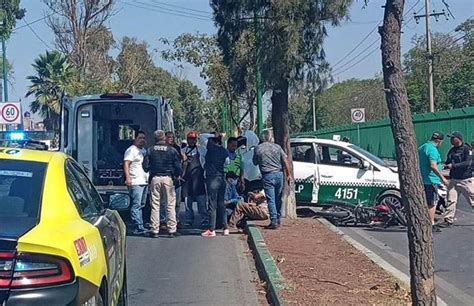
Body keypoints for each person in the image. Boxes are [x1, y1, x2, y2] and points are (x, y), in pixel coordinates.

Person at [143, 130, 182, 238]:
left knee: (155, 205)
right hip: (168, 179)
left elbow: (145, 167)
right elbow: (178, 166)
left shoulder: (150, 150)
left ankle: (155, 230)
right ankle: (172, 229)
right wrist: (177, 175)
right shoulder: (172, 150)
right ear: (164, 138)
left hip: (155, 178)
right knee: (170, 204)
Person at [253, 130, 293, 229]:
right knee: (278, 197)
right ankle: (278, 218)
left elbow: (255, 162)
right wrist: (289, 175)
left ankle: (274, 220)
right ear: (271, 138)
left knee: (271, 199)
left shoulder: (258, 148)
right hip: (279, 174)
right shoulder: (277, 147)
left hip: (267, 175)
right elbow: (285, 160)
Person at [437, 132, 473, 228]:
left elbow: (468, 162)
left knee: (472, 200)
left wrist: (453, 166)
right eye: (451, 138)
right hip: (454, 179)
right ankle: (448, 220)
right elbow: (448, 161)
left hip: (466, 179)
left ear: (458, 139)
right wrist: (444, 165)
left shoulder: (466, 149)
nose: (451, 140)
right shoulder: (452, 150)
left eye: (453, 138)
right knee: (451, 200)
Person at [418, 132, 449, 232]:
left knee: (426, 201)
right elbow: (433, 165)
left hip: (422, 178)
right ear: (439, 141)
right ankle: (430, 224)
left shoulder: (423, 147)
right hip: (431, 180)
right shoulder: (433, 150)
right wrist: (442, 178)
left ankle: (424, 222)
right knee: (432, 203)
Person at [202, 133, 230, 238]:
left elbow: (202, 137)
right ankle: (226, 228)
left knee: (212, 204)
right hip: (221, 178)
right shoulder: (223, 150)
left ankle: (211, 229)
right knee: (221, 203)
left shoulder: (209, 150)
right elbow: (227, 163)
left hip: (212, 178)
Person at [123, 130, 149, 235]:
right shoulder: (131, 150)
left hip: (144, 181)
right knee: (136, 204)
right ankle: (137, 226)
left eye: (143, 138)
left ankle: (141, 225)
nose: (142, 140)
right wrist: (128, 178)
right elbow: (126, 164)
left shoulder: (144, 151)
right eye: (140, 138)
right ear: (135, 139)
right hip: (135, 181)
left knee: (142, 204)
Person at [181, 131, 208, 229]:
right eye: (190, 139)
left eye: (193, 139)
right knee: (188, 201)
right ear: (187, 140)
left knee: (201, 202)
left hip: (199, 180)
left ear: (196, 140)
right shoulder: (183, 150)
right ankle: (189, 220)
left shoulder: (202, 150)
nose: (191, 141)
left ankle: (205, 219)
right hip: (187, 180)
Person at [159, 131, 185, 229]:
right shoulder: (162, 148)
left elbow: (183, 161)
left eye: (173, 137)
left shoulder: (177, 148)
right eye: (169, 137)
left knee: (177, 202)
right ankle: (163, 221)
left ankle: (176, 220)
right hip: (165, 177)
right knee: (163, 202)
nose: (171, 139)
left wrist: (181, 174)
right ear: (165, 138)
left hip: (176, 179)